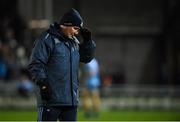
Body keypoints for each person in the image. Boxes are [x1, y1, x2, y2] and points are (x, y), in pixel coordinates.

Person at [28, 8, 96, 121]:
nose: (77, 32)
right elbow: (36, 64)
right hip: (50, 100)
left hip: (70, 102)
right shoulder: (47, 39)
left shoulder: (74, 42)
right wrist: (43, 84)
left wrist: (88, 42)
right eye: (75, 28)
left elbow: (86, 58)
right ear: (65, 25)